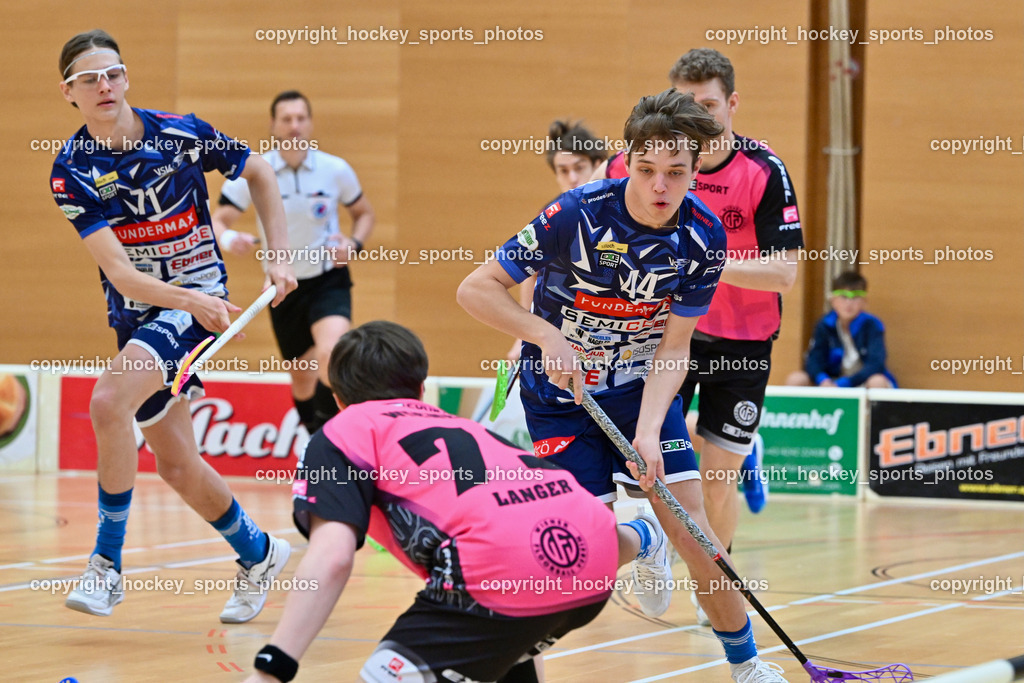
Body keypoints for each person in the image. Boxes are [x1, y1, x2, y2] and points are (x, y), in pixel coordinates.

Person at [458, 89, 788, 683]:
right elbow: (475, 289)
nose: (660, 186)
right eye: (646, 170)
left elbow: (675, 347)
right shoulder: (574, 214)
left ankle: (748, 667)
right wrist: (544, 335)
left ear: (695, 169)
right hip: (561, 399)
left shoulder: (704, 239)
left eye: (676, 173)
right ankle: (643, 537)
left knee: (698, 535)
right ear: (627, 160)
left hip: (641, 391)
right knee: (583, 556)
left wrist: (648, 433)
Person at [241, 320, 670, 683]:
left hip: (498, 578)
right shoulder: (466, 427)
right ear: (422, 389)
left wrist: (275, 662)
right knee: (506, 636)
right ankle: (643, 533)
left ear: (336, 399)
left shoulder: (342, 431)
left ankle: (643, 534)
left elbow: (332, 556)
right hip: (592, 561)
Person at [51, 29, 297, 622]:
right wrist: (183, 300)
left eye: (113, 73)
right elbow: (123, 276)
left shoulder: (182, 134)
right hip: (146, 308)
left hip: (199, 299)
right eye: (89, 79)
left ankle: (106, 567)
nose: (104, 85)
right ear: (70, 94)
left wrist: (278, 252)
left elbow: (259, 170)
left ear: (127, 77)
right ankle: (259, 554)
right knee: (178, 464)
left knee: (109, 402)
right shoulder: (72, 171)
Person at [212, 90, 375, 434]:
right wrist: (229, 239)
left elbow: (363, 214)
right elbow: (218, 220)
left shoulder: (335, 170)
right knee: (302, 379)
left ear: (310, 123)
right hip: (281, 286)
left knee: (331, 356)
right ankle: (316, 437)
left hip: (327, 280)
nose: (294, 126)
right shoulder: (257, 172)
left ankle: (337, 441)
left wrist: (353, 243)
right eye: (286, 119)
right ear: (273, 126)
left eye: (301, 118)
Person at [507, 119, 609, 362]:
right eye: (563, 171)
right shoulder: (551, 216)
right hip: (563, 331)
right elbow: (531, 274)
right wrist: (522, 336)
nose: (572, 177)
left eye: (579, 167)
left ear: (597, 164)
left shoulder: (621, 212)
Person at [787, 271, 896, 388]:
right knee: (796, 379)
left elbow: (876, 364)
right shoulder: (825, 325)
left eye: (855, 297)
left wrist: (846, 383)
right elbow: (813, 360)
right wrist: (823, 380)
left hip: (861, 381)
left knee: (877, 381)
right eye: (843, 297)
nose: (849, 303)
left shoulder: (872, 325)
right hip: (831, 381)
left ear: (864, 302)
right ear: (833, 301)